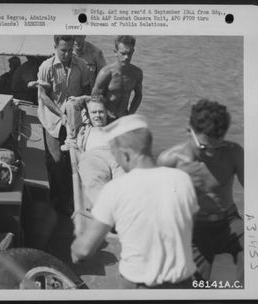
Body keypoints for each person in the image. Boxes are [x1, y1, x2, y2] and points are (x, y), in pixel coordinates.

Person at [71, 114, 199, 289]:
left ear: (125, 154)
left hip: (140, 286)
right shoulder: (182, 179)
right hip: (184, 285)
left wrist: (75, 250)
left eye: (116, 155)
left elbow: (84, 249)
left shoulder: (115, 190)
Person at [157, 99, 244, 284]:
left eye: (217, 146)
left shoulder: (234, 152)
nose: (212, 153)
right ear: (189, 130)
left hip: (230, 222)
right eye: (205, 147)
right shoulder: (170, 161)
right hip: (195, 230)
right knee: (196, 287)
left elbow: (257, 193)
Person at [37, 35, 91, 215]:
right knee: (57, 160)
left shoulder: (81, 65)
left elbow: (86, 90)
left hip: (74, 120)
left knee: (74, 161)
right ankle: (57, 202)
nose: (67, 54)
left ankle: (71, 201)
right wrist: (61, 114)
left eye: (69, 50)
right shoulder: (46, 67)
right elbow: (43, 96)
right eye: (63, 50)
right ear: (55, 47)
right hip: (52, 120)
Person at [91, 35, 143, 120]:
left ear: (133, 51)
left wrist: (130, 114)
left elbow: (138, 95)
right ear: (115, 52)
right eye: (123, 53)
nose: (126, 57)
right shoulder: (105, 73)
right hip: (106, 119)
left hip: (124, 117)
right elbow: (94, 99)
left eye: (129, 53)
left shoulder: (137, 73)